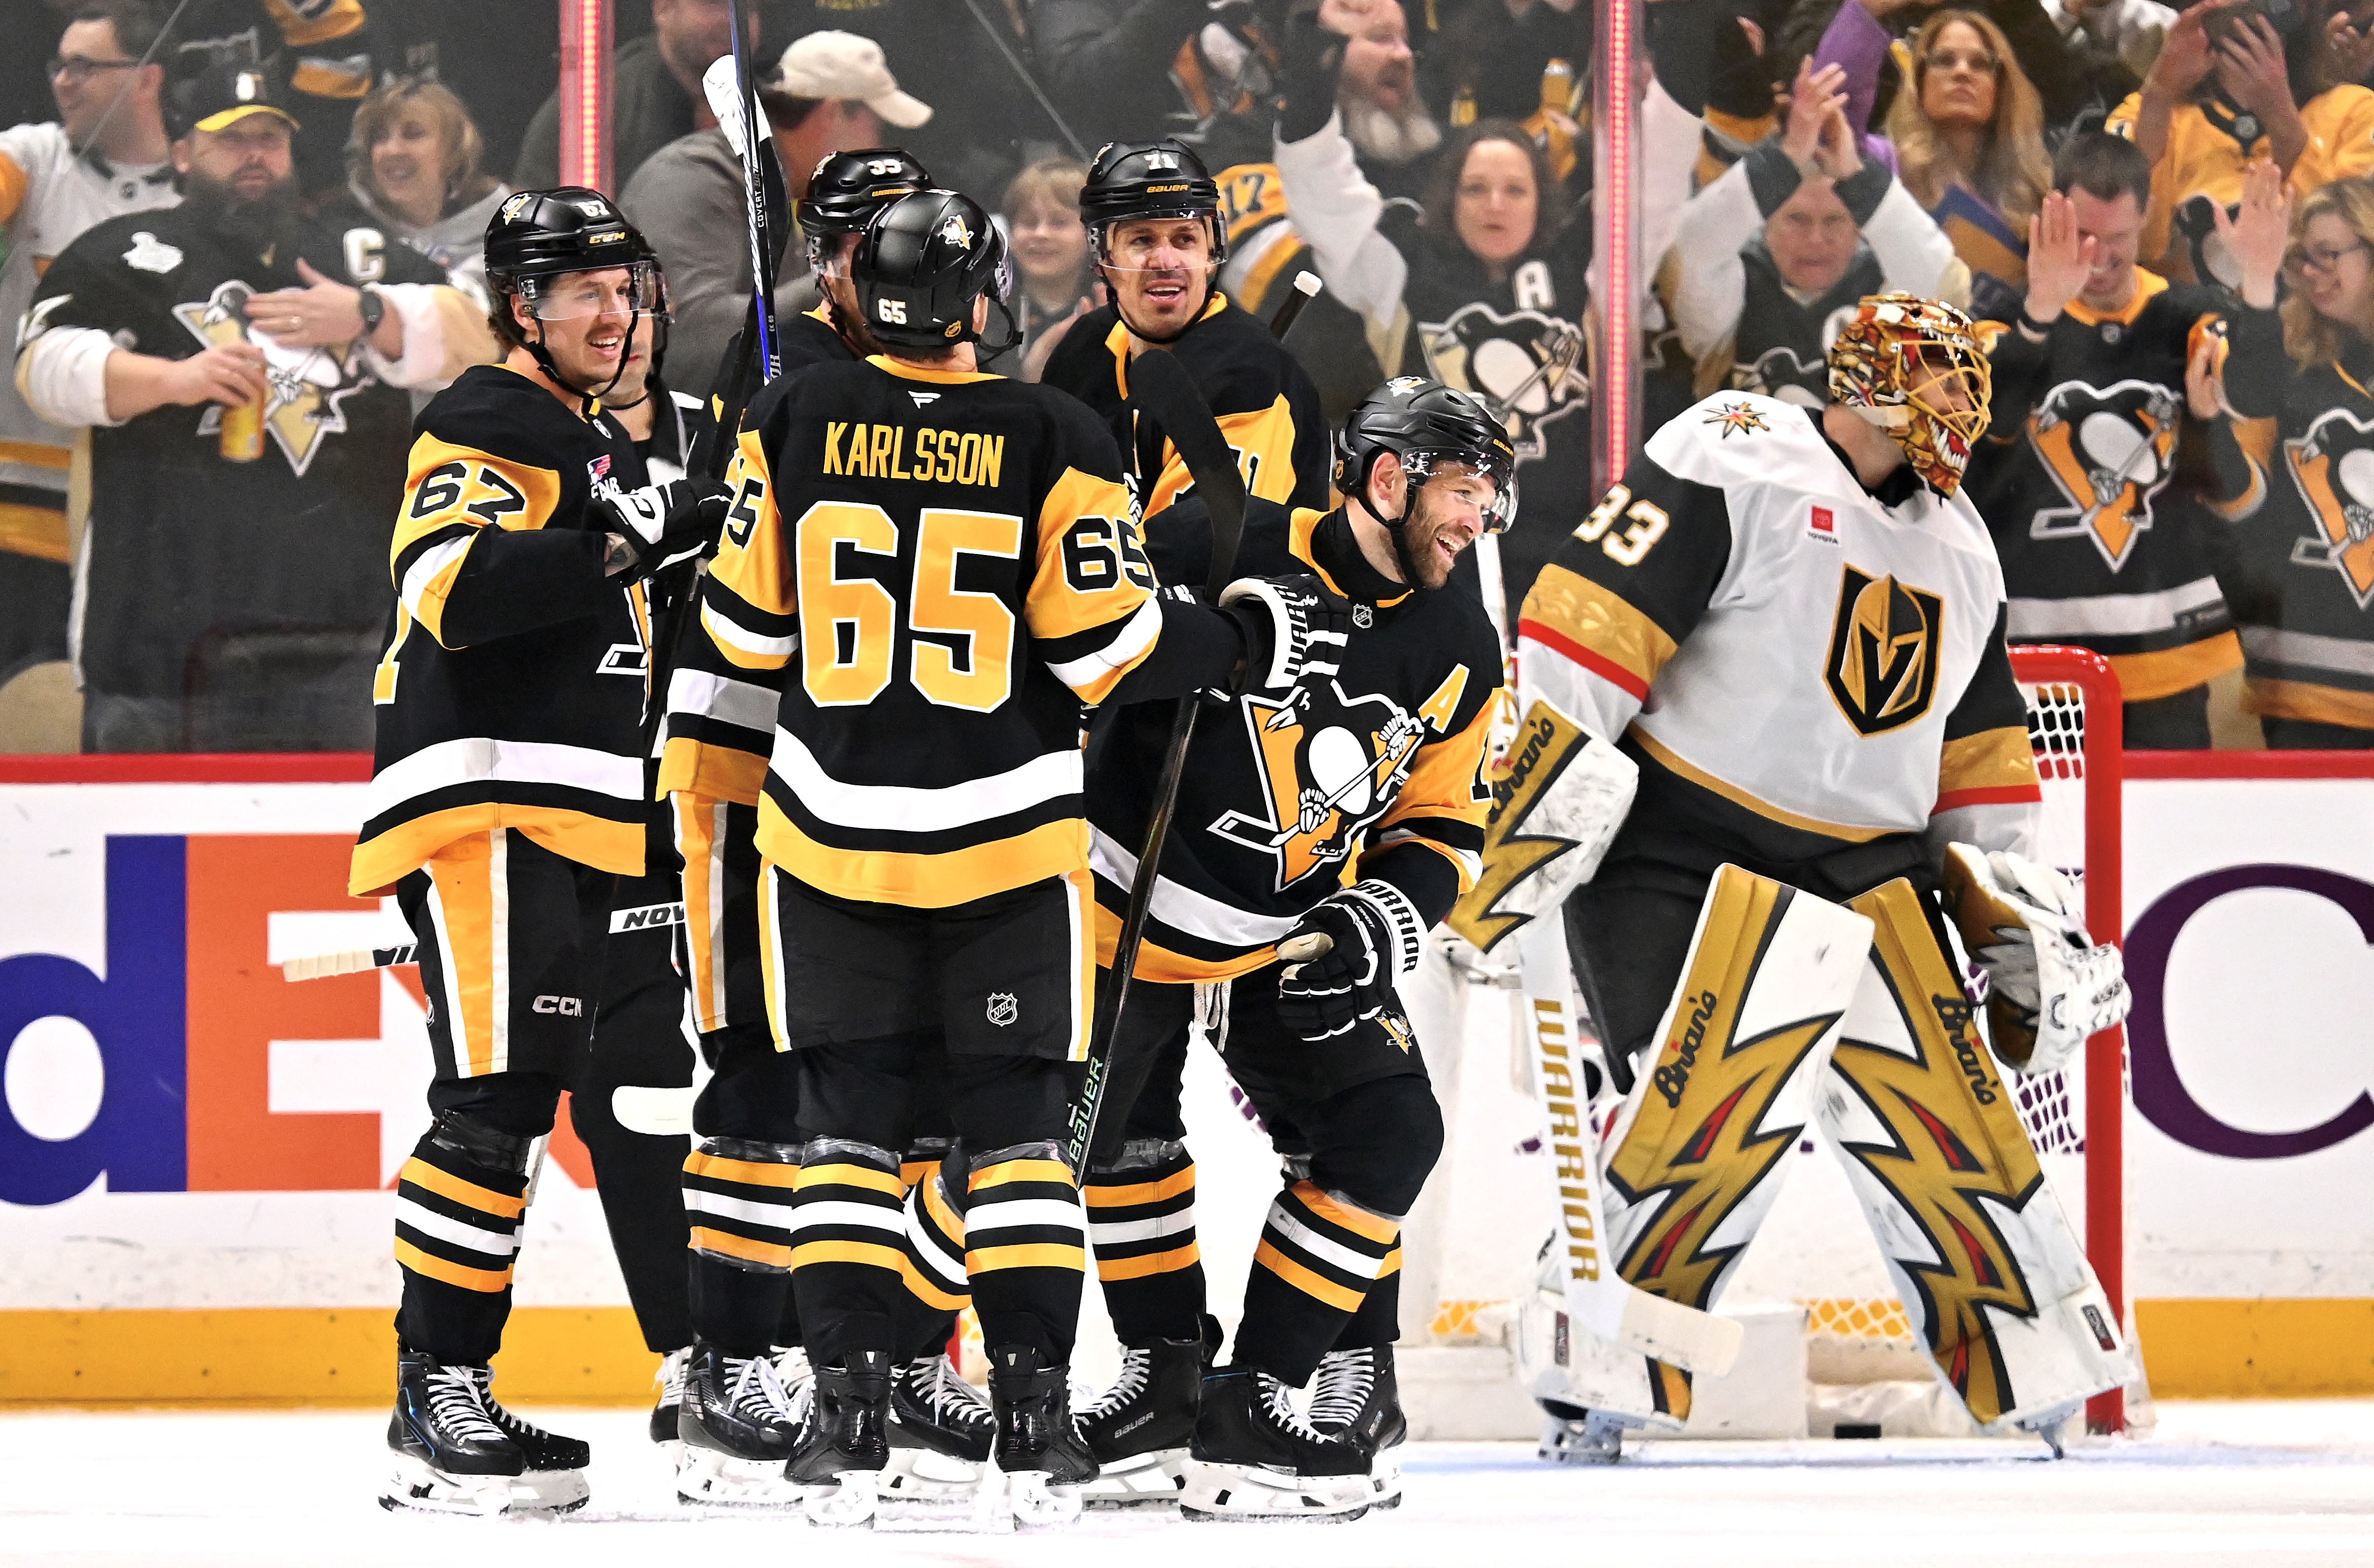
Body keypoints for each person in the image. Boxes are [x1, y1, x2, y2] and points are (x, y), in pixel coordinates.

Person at [668, 186, 1345, 1524]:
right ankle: (1033, 1416)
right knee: (1020, 1139)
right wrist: (1240, 640)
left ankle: (846, 1418)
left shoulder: (788, 417)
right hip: (1005, 846)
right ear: (981, 303)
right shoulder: (1054, 428)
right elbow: (1109, 648)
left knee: (850, 1136)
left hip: (830, 846)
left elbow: (742, 634)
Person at [1516, 293, 2136, 1457]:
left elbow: (1980, 760)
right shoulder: (1736, 447)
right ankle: (1596, 1363)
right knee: (1705, 1109)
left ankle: (2032, 1357)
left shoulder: (1961, 545)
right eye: (1944, 377)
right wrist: (1541, 810)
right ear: (1869, 381)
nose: (1966, 402)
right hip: (1679, 844)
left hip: (1870, 860)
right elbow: (1585, 625)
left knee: (1947, 1114)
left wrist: (2012, 909)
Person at [348, 185, 726, 1515]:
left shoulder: (579, 432)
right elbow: (450, 586)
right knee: (498, 1093)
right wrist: (632, 531)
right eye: (583, 292)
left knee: (522, 1086)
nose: (615, 314)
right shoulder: (488, 415)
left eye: (627, 290)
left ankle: (449, 1382)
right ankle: (434, 1386)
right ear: (520, 307)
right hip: (487, 795)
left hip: (570, 807)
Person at [1066, 378, 1507, 1517]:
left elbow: (1443, 820)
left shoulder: (1459, 639)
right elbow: (1070, 652)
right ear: (1383, 478)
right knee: (1087, 1145)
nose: (1477, 522)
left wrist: (1383, 916)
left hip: (1290, 938)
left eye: (1488, 498)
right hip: (1114, 907)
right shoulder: (1222, 538)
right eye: (1462, 492)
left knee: (1387, 1129)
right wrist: (1202, 633)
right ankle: (1155, 1380)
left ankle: (1254, 1396)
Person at [17, 62, 456, 753]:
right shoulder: (122, 252)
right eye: (231, 138)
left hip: (347, 642)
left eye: (269, 138)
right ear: (184, 153)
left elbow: (498, 334)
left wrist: (373, 313)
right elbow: (43, 368)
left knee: (348, 858)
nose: (255, 154)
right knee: (151, 859)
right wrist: (173, 380)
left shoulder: (356, 256)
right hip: (157, 650)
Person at [1271, 0, 1591, 626]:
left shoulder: (1586, 265)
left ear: (1541, 198)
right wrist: (1311, 52)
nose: (1493, 205)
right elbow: (1317, 187)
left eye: (1514, 189)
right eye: (1474, 188)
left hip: (1566, 544)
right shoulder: (1401, 265)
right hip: (1430, 548)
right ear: (1448, 196)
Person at [1969, 133, 2283, 747]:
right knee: (2049, 841)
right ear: (2051, 218)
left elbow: (2254, 392)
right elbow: (1985, 435)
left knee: (2165, 838)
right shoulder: (2005, 320)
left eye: (2119, 239)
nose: (2103, 257)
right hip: (2038, 659)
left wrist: (2261, 287)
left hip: (2168, 650)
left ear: (2145, 220)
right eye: (2085, 236)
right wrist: (2039, 312)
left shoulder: (2185, 315)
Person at [0, 1, 180, 699]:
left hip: (149, 521)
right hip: (23, 511)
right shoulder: (32, 155)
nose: (63, 83)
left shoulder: (199, 189)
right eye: (60, 66)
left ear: (146, 80)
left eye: (85, 67)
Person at [1040, 137, 1332, 526]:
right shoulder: (1085, 348)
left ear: (1211, 253)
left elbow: (1199, 553)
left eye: (1185, 240)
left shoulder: (1250, 374)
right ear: (1102, 258)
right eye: (1141, 239)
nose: (1165, 261)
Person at [623, 32, 931, 396]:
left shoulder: (795, 188)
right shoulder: (691, 179)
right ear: (832, 112)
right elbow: (693, 338)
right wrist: (843, 277)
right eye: (878, 127)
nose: (879, 149)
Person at [1667, 56, 1966, 408]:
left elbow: (1946, 289)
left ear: (1861, 227)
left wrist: (1858, 178)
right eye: (1796, 219)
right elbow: (1689, 252)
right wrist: (1783, 160)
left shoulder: (1883, 290)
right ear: (1763, 225)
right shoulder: (1733, 293)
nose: (1815, 240)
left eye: (1834, 221)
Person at [2217, 173, 2374, 746]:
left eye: (2328, 254)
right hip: (2306, 674)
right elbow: (2247, 392)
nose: (2312, 274)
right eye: (2301, 259)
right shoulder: (2284, 350)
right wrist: (2258, 279)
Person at [2111, 0, 2374, 283]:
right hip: (2179, 321)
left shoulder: (2357, 112)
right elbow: (2128, 246)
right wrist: (2159, 94)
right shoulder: (2145, 113)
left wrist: (2284, 125)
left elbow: (2344, 266)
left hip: (2298, 322)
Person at [1814, 5, 2054, 314]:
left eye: (1980, 64)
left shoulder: (2035, 194)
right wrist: (1868, 10)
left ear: (2001, 87)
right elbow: (1826, 124)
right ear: (1920, 80)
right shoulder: (1886, 165)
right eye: (1944, 60)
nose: (1962, 72)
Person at [515, 0, 761, 191]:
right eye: (713, 4)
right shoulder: (598, 111)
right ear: (663, 9)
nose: (734, 21)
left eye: (747, 8)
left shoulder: (772, 104)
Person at [319, 78, 511, 311]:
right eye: (380, 138)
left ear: (453, 150)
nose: (392, 150)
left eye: (412, 134)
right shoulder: (339, 231)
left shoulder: (507, 231)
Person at [1003, 156, 1093, 380]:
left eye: (1059, 223)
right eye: (1028, 222)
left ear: (1093, 234)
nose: (1041, 234)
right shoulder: (986, 311)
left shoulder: (1113, 307)